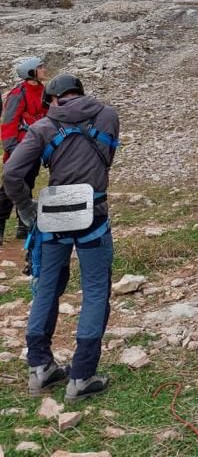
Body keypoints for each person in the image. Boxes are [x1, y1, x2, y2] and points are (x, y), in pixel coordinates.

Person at [3, 73, 119, 401]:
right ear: (78, 93)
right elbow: (107, 157)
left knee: (47, 287)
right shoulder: (108, 115)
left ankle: (40, 367)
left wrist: (27, 209)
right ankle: (82, 376)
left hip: (53, 216)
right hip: (93, 213)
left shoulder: (42, 127)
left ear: (53, 99)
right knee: (95, 290)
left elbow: (12, 173)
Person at [0, 56, 48, 245]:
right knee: (9, 188)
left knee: (28, 183)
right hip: (19, 148)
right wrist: (12, 148)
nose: (44, 70)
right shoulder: (18, 94)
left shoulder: (44, 91)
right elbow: (9, 122)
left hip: (35, 147)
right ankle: (1, 224)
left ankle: (23, 224)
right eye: (40, 67)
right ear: (31, 72)